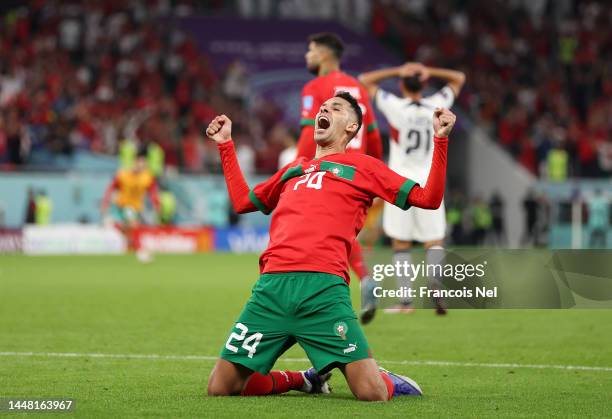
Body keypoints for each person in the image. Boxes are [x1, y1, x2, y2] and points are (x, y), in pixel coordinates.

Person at [205, 91, 456, 401]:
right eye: (323, 108)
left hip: (324, 290)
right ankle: (305, 380)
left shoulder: (365, 167)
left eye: (335, 108)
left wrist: (441, 140)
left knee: (371, 393)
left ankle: (386, 378)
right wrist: (226, 145)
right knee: (221, 387)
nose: (324, 111)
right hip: (271, 289)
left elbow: (428, 199)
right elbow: (244, 202)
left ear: (351, 127)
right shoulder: (294, 169)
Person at [359, 62, 465, 315]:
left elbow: (365, 79)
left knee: (401, 242)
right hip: (430, 181)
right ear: (425, 84)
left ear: (401, 85)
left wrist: (399, 70)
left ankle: (406, 302)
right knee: (434, 240)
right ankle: (436, 287)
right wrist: (430, 70)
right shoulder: (437, 104)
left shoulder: (394, 105)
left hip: (400, 184)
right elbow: (459, 76)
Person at [296, 32, 383, 323]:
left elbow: (311, 131)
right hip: (360, 169)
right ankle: (364, 281)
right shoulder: (357, 87)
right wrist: (376, 172)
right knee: (343, 230)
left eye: (310, 50)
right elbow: (372, 133)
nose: (307, 56)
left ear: (323, 55)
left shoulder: (316, 86)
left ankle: (332, 302)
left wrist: (296, 168)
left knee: (325, 233)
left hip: (332, 167)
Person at [101, 150, 160, 261]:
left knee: (129, 229)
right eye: (140, 163)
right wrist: (106, 202)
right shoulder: (123, 174)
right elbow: (111, 188)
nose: (142, 166)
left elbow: (153, 192)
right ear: (135, 162)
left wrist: (156, 204)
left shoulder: (147, 177)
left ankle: (131, 248)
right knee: (132, 226)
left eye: (144, 164)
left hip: (136, 207)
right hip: (122, 205)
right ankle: (140, 251)